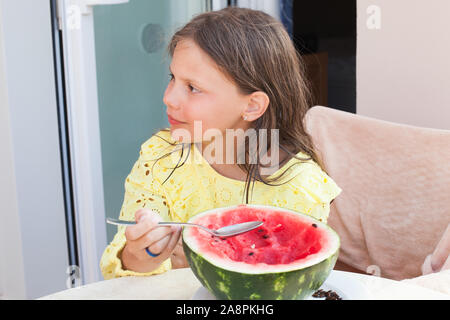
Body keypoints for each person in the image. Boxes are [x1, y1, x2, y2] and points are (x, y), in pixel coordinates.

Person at [100, 7, 342, 279]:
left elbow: (293, 284)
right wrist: (141, 253)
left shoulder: (301, 187)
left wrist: (202, 268)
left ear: (252, 105)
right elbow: (123, 269)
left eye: (193, 87)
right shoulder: (160, 157)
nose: (169, 97)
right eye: (172, 78)